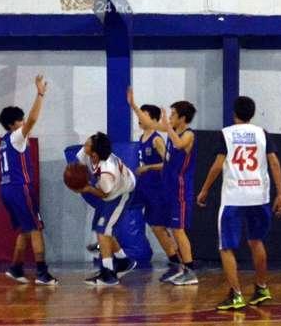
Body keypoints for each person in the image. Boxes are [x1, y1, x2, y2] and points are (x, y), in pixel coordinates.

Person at [196, 96, 281, 310]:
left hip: (234, 197)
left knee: (226, 247)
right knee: (256, 241)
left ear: (234, 112)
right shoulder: (262, 133)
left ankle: (236, 295)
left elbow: (217, 165)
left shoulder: (226, 134)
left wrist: (205, 189)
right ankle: (262, 288)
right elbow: (274, 162)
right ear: (252, 113)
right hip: (259, 195)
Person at [0, 75, 58, 285]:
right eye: (20, 120)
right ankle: (42, 272)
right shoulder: (16, 136)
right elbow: (32, 120)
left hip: (6, 188)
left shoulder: (3, 141)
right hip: (19, 187)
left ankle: (16, 268)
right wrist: (40, 95)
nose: (24, 122)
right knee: (35, 228)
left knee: (25, 229)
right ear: (12, 124)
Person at [126, 88, 182, 274]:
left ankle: (176, 259)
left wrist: (148, 167)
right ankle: (105, 240)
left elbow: (168, 163)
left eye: (144, 115)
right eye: (139, 114)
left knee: (158, 226)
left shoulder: (157, 140)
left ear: (153, 119)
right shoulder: (142, 137)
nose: (140, 118)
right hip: (145, 187)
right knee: (126, 209)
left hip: (158, 188)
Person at [72, 132, 137, 286]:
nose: (85, 144)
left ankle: (108, 274)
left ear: (94, 154)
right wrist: (75, 178)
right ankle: (123, 261)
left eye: (87, 143)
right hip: (111, 191)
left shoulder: (107, 171)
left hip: (122, 193)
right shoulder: (88, 152)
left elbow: (104, 193)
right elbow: (77, 166)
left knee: (103, 231)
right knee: (100, 228)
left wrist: (86, 188)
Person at [155, 100, 198, 285]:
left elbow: (179, 144)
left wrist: (167, 126)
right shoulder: (172, 132)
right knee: (171, 229)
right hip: (169, 187)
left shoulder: (188, 134)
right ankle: (179, 268)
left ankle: (190, 271)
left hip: (180, 188)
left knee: (179, 230)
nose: (170, 117)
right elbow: (152, 124)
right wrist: (133, 106)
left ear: (182, 117)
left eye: (173, 114)